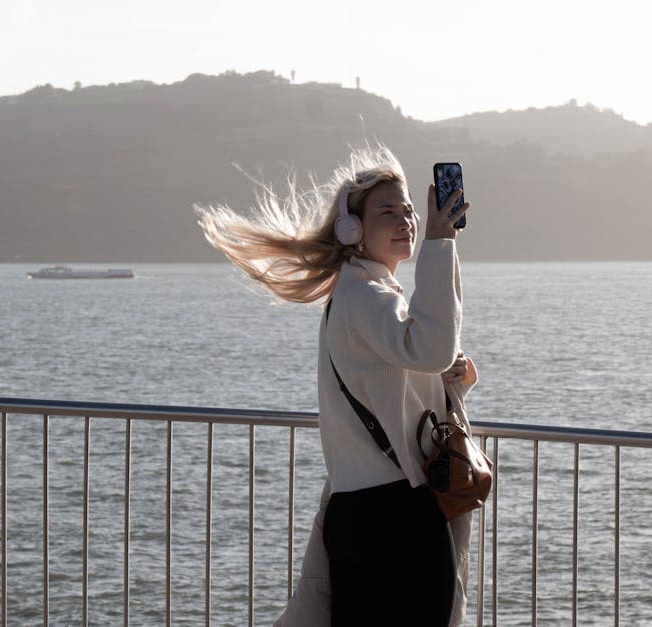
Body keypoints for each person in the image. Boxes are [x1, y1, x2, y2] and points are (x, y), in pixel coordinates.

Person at [196, 146, 477, 626]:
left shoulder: (361, 293)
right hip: (397, 517)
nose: (406, 219)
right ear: (352, 228)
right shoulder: (365, 294)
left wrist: (454, 382)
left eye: (409, 210)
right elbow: (429, 349)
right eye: (387, 211)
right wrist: (439, 239)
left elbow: (402, 376)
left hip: (361, 516)